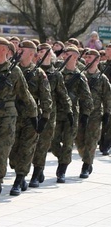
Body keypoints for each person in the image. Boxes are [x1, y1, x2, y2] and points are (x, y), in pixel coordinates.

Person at [0, 37, 37, 205]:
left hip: (8, 116)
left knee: (2, 151)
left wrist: (34, 115)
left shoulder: (15, 71)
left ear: (4, 50)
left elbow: (25, 95)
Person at [9, 40, 52, 196]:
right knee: (12, 152)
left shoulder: (39, 73)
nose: (19, 51)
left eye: (23, 49)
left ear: (32, 54)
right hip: (13, 116)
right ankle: (19, 173)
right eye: (18, 48)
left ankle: (18, 180)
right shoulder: (12, 69)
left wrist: (45, 117)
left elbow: (46, 97)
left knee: (27, 149)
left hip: (30, 117)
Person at [31, 45, 71, 187]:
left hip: (49, 114)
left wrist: (69, 111)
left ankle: (36, 172)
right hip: (32, 113)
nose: (39, 54)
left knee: (43, 144)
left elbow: (63, 94)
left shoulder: (56, 74)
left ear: (49, 54)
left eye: (42, 52)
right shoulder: (33, 71)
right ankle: (35, 169)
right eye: (38, 52)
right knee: (30, 145)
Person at [52, 45, 93, 183]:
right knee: (53, 141)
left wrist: (86, 115)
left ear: (75, 57)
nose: (64, 55)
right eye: (64, 53)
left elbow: (87, 97)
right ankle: (61, 158)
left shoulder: (79, 76)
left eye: (68, 53)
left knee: (68, 142)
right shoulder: (58, 73)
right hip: (57, 112)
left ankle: (62, 168)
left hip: (72, 114)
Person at [80, 49, 111, 178]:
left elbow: (108, 97)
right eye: (86, 57)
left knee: (92, 140)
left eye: (90, 57)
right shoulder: (81, 75)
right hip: (81, 112)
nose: (87, 59)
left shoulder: (102, 78)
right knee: (79, 139)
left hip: (95, 113)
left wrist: (107, 113)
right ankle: (86, 157)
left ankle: (86, 165)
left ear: (97, 60)